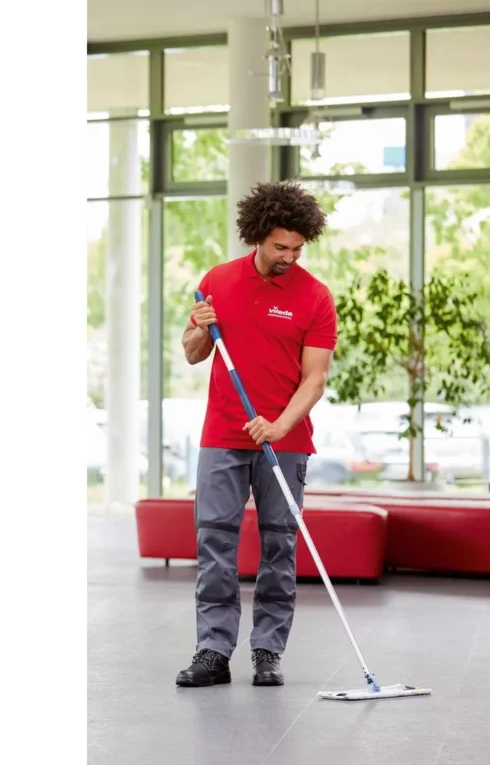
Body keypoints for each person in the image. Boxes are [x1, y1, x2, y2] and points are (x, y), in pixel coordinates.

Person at [176, 181, 338, 688]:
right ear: (258, 236)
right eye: (279, 246)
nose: (288, 256)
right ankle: (213, 651)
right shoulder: (218, 281)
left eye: (297, 248)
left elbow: (315, 379)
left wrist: (279, 424)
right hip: (223, 435)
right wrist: (200, 326)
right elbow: (193, 352)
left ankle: (268, 651)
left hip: (284, 441)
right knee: (214, 543)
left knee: (279, 547)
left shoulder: (315, 297)